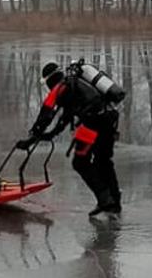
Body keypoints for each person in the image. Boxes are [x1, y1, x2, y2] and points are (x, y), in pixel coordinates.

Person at [18, 59, 125, 217]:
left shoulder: (61, 87)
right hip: (110, 120)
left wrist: (32, 137)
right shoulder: (75, 84)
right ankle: (114, 202)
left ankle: (105, 199)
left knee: (80, 162)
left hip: (93, 123)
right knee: (103, 161)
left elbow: (46, 113)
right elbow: (66, 116)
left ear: (50, 80)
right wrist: (52, 134)